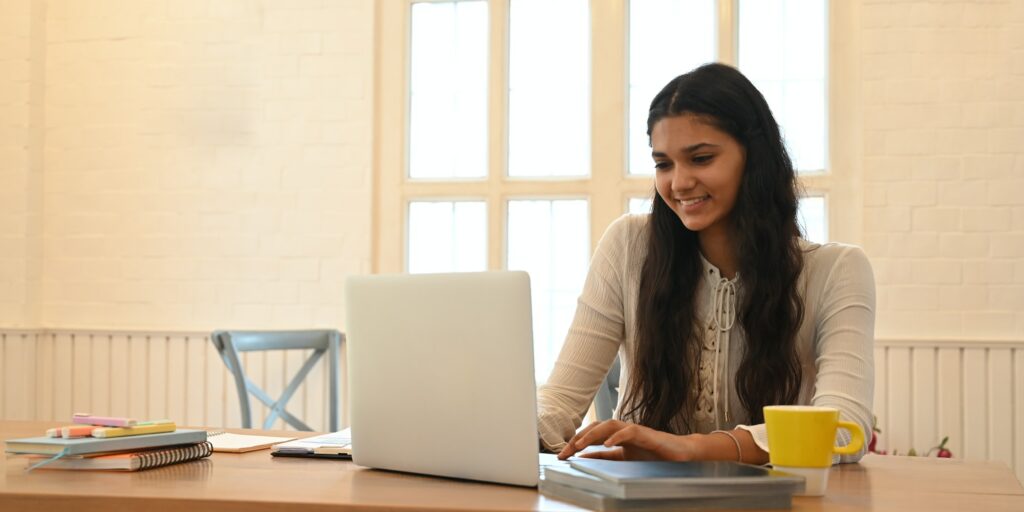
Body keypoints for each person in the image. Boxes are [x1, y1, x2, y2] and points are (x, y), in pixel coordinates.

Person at [538, 63, 874, 465]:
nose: (678, 182)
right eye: (663, 164)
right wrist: (506, 429)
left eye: (700, 158)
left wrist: (689, 448)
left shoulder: (838, 271)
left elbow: (842, 429)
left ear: (754, 158)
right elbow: (560, 400)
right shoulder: (628, 246)